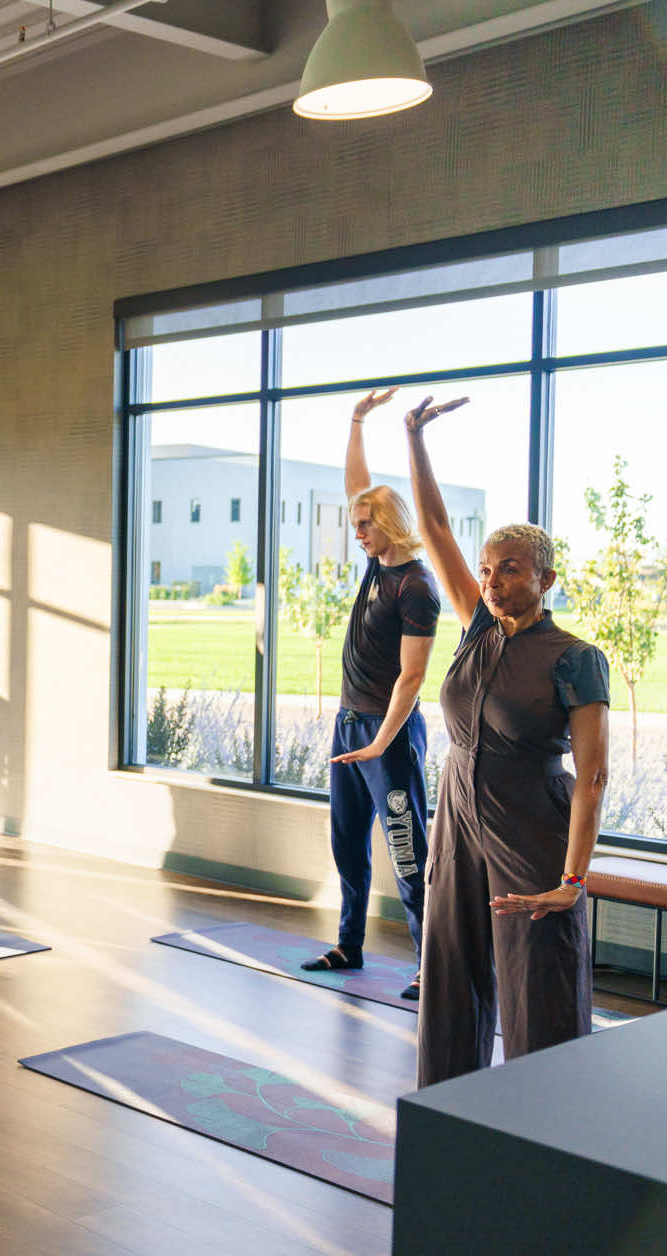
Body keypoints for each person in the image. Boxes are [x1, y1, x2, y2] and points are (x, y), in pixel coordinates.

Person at [404, 395, 610, 1087]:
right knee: (450, 974)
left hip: (531, 821)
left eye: (511, 569)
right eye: (488, 570)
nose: (491, 581)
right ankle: (449, 1115)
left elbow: (593, 776)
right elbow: (433, 526)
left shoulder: (574, 656)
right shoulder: (477, 627)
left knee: (538, 989)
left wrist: (573, 880)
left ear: (546, 579)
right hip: (457, 812)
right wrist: (414, 438)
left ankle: (548, 1132)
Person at [304, 387, 438, 1000]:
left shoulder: (417, 585)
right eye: (356, 522)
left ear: (387, 525)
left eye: (364, 524)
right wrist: (357, 419)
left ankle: (430, 962)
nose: (356, 530)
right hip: (350, 726)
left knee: (408, 855)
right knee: (346, 843)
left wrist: (380, 743)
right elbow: (360, 484)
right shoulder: (377, 565)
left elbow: (412, 678)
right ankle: (349, 944)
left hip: (389, 736)